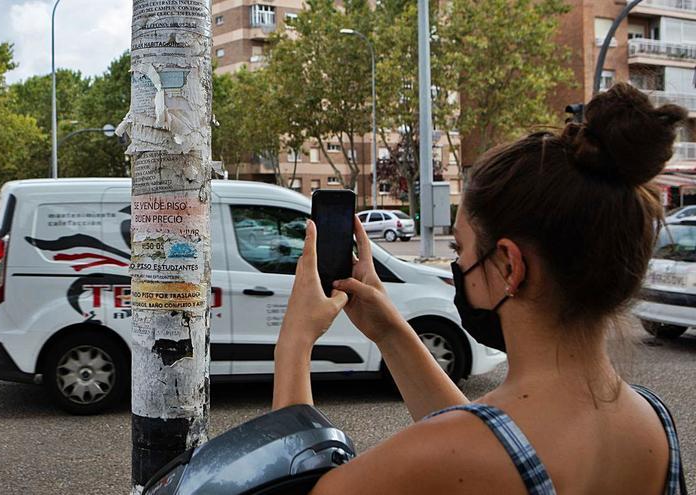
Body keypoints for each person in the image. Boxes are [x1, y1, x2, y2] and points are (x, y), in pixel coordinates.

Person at [273, 83, 686, 494]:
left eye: (461, 247)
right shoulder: (655, 426)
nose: (459, 265)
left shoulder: (447, 453)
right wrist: (388, 330)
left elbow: (474, 443)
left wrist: (294, 343)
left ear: (509, 265)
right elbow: (493, 439)